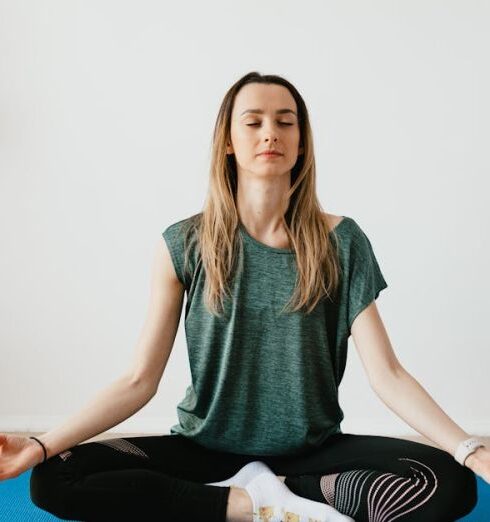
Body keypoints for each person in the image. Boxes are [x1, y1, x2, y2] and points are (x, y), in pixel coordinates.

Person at [0, 72, 486, 522]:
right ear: (229, 142)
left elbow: (389, 374)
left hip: (312, 450)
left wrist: (469, 448)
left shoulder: (342, 241)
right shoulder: (184, 243)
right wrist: (39, 446)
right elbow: (138, 380)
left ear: (301, 142)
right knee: (55, 475)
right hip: (205, 450)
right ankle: (242, 503)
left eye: (285, 122)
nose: (270, 133)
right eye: (252, 122)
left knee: (451, 485)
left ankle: (292, 489)